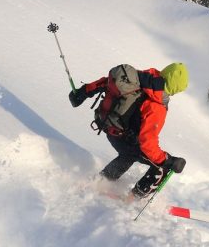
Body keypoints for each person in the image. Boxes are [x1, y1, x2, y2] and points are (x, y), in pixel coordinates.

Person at [69, 62, 188, 197]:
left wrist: (83, 91)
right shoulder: (157, 105)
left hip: (109, 127)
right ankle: (132, 200)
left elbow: (107, 82)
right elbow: (148, 143)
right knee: (160, 167)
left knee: (129, 154)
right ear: (176, 88)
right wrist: (168, 161)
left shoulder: (140, 79)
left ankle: (100, 183)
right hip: (124, 136)